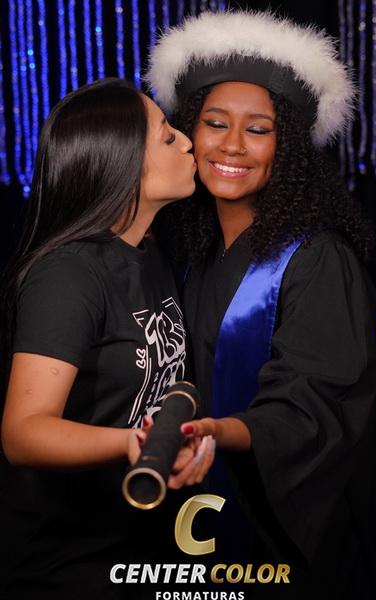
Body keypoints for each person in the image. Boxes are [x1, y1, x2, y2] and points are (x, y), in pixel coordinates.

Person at [148, 10, 376, 599]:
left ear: (285, 147)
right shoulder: (190, 251)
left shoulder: (318, 260)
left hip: (293, 543)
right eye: (215, 123)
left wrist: (219, 431)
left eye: (258, 130)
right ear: (189, 131)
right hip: (201, 513)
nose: (233, 145)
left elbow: (317, 404)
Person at [0, 78, 214, 600]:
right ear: (123, 162)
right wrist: (131, 444)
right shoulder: (68, 275)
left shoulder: (148, 253)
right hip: (68, 567)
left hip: (143, 548)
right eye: (167, 136)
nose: (188, 141)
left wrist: (184, 441)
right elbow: (23, 433)